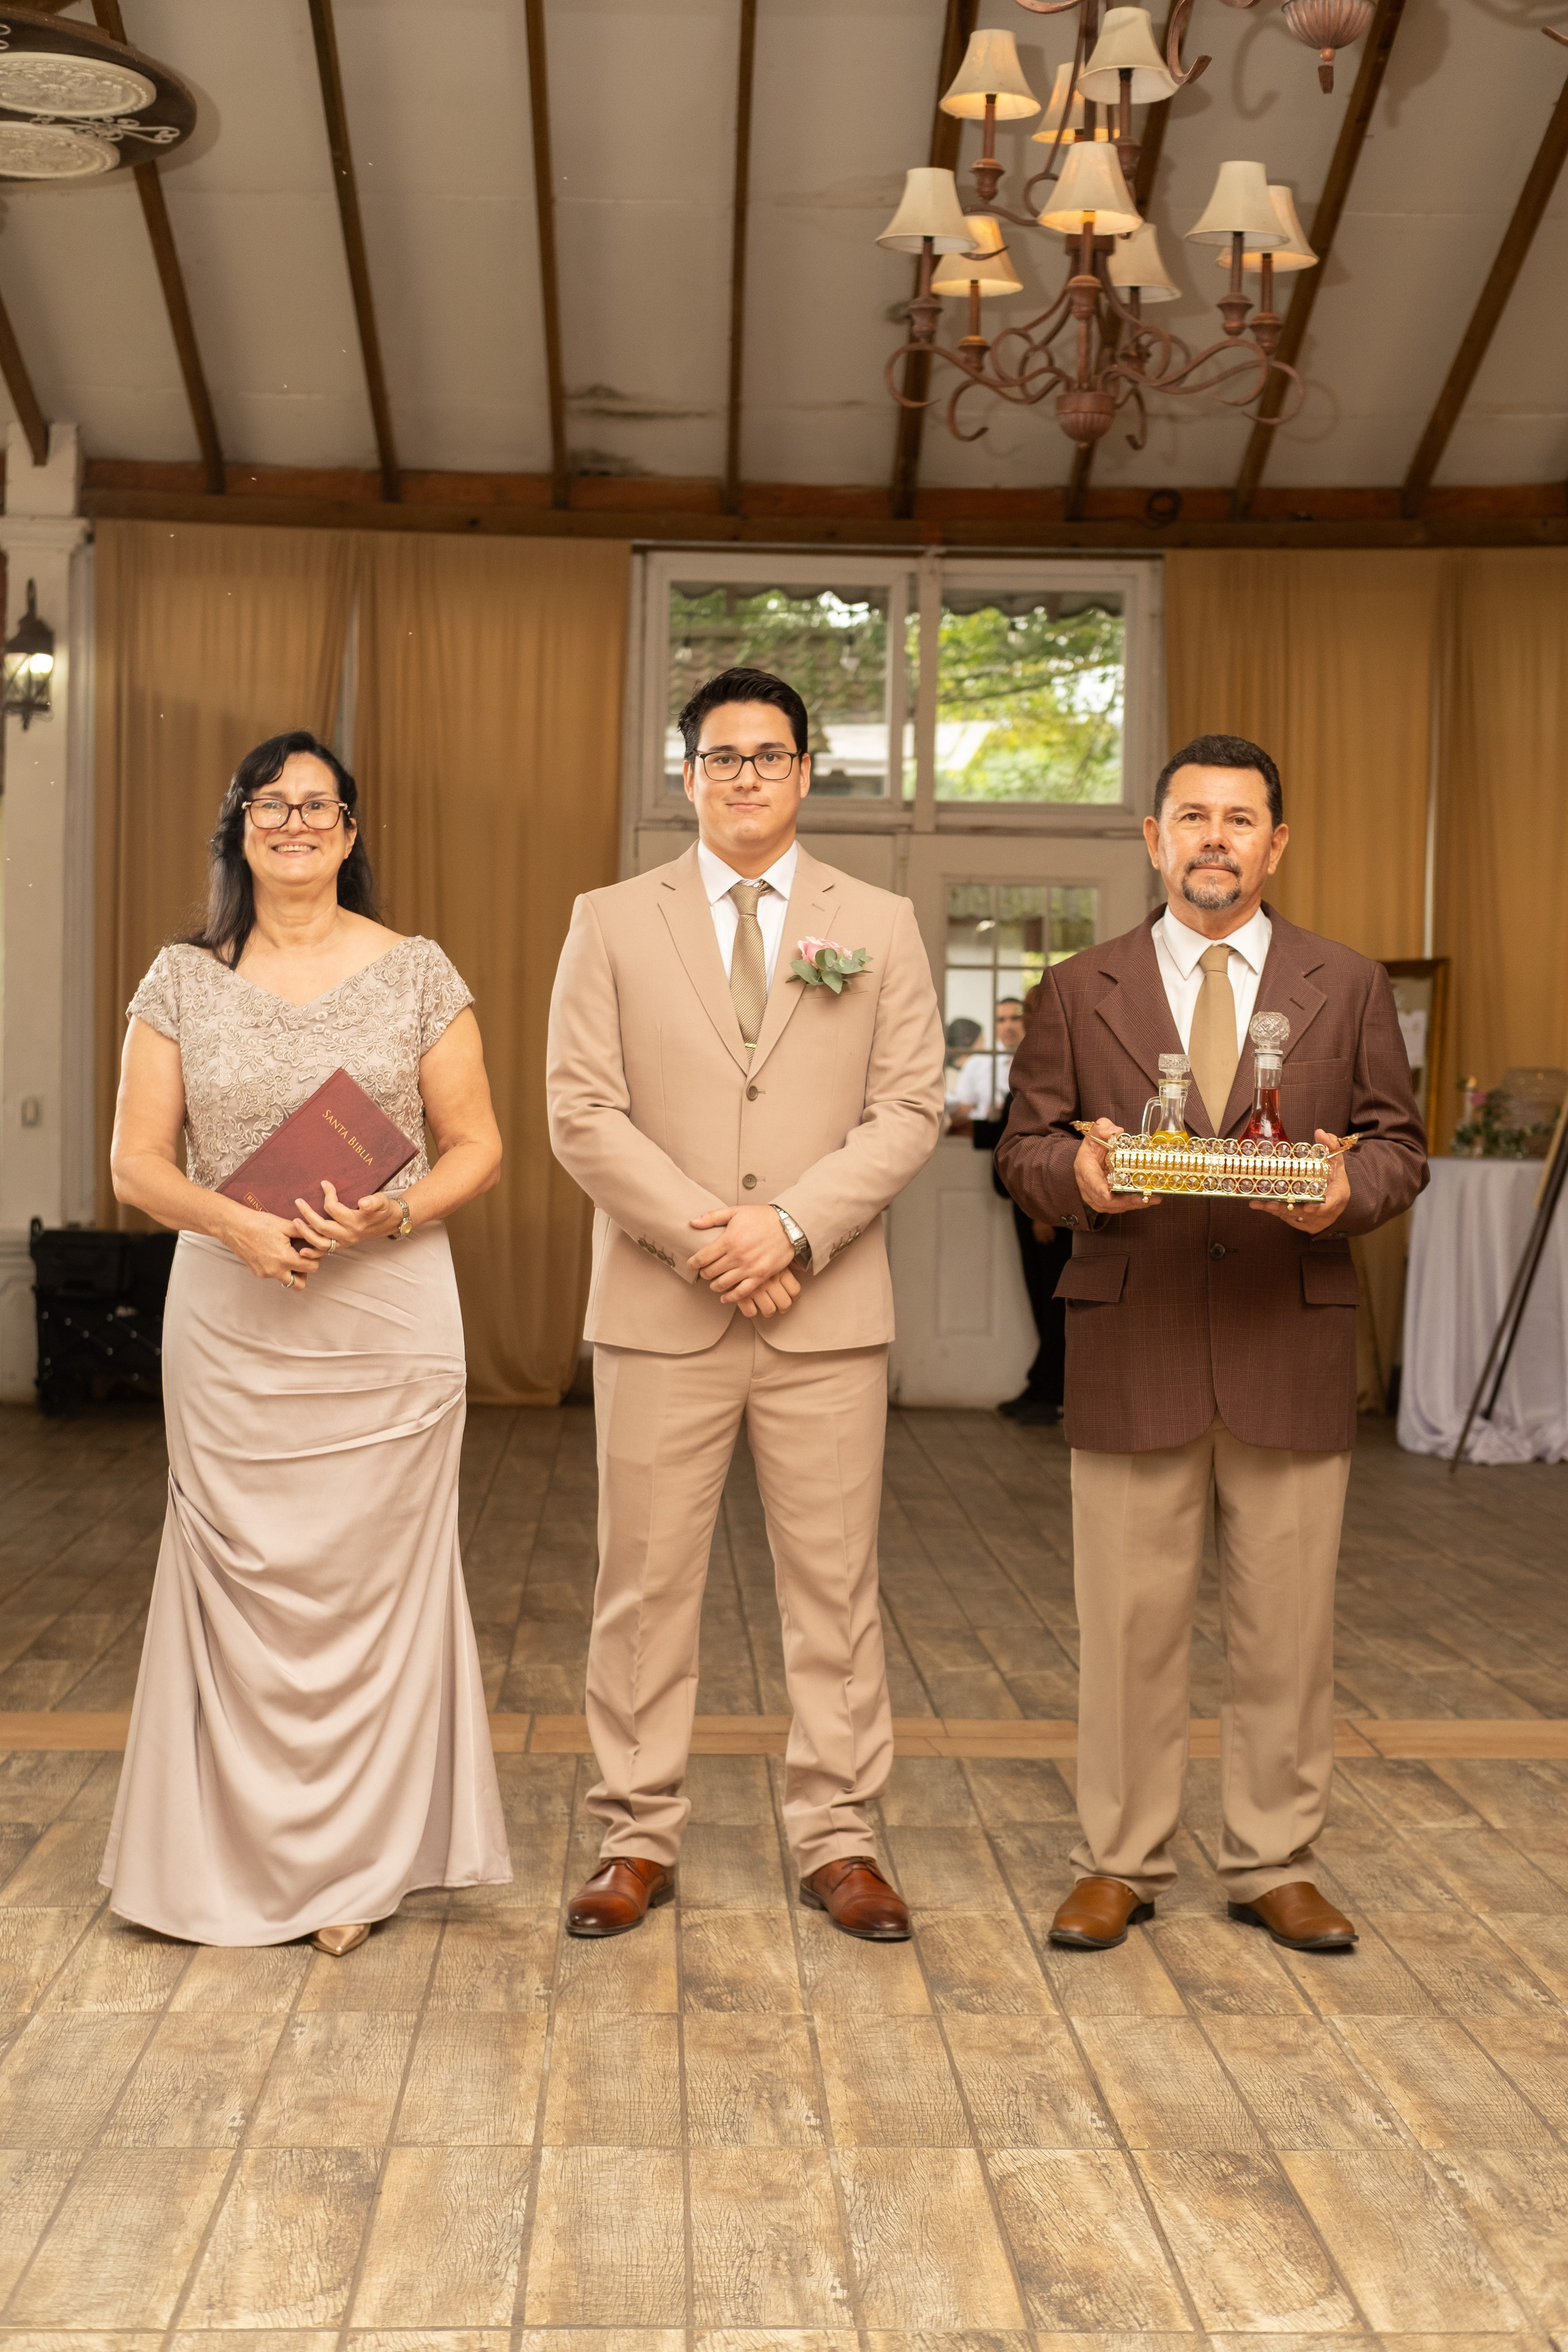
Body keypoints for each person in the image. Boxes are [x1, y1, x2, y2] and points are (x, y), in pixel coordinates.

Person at [997, 733, 1427, 1955]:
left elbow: (1397, 1148)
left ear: (1273, 845)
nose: (1213, 841)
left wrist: (1342, 1198)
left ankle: (1270, 1859)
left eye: (1239, 821)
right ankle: (1118, 1861)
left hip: (1283, 1337)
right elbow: (1020, 1151)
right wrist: (1076, 1173)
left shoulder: (1344, 984)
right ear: (1152, 838)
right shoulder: (1081, 991)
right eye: (1191, 818)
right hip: (1131, 1339)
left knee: (1284, 1626)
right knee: (1125, 1624)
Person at [546, 665, 944, 1942]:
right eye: (722, 758)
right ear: (685, 777)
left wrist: (789, 1227)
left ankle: (839, 1838)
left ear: (806, 773)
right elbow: (580, 1111)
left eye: (769, 756)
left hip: (821, 1311)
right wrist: (704, 1239)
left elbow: (908, 1109)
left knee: (833, 1589)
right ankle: (634, 1833)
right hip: (663, 1308)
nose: (746, 778)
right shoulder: (608, 919)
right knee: (642, 1581)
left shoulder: (875, 922)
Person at [104, 729, 511, 1952]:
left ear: (348, 832)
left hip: (385, 1317)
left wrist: (397, 1209)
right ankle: (225, 1861)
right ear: (237, 825)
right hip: (232, 1318)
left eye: (317, 806)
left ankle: (350, 1879)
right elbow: (134, 1166)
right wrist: (234, 1224)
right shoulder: (179, 979)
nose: (293, 823)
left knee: (372, 1594)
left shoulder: (418, 972)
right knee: (241, 1585)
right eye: (269, 805)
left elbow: (480, 1147)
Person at [971, 992, 1070, 1424]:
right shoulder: (1035, 1060)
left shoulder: (1055, 1063)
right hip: (1027, 1202)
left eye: (1028, 1013)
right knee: (1040, 1294)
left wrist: (1041, 1212)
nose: (1022, 1022)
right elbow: (1007, 1129)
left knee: (1051, 1297)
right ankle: (1043, 1384)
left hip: (1043, 1208)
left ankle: (1050, 1390)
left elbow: (1052, 1140)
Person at [949, 995, 1024, 1122]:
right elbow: (960, 1113)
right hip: (988, 1139)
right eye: (1001, 1020)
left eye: (1015, 1018)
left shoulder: (1046, 1064)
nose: (1008, 1026)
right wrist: (985, 1114)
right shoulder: (976, 1064)